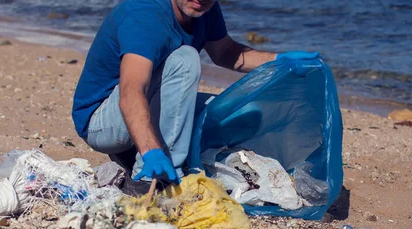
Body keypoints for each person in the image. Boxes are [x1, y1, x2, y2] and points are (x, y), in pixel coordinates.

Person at [72, 0, 318, 194]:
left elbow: (226, 53)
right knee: (185, 59)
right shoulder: (145, 14)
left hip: (139, 107)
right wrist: (151, 151)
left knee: (239, 115)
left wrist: (279, 60)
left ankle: (136, 154)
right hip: (102, 123)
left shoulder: (203, 7)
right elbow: (130, 92)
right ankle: (151, 180)